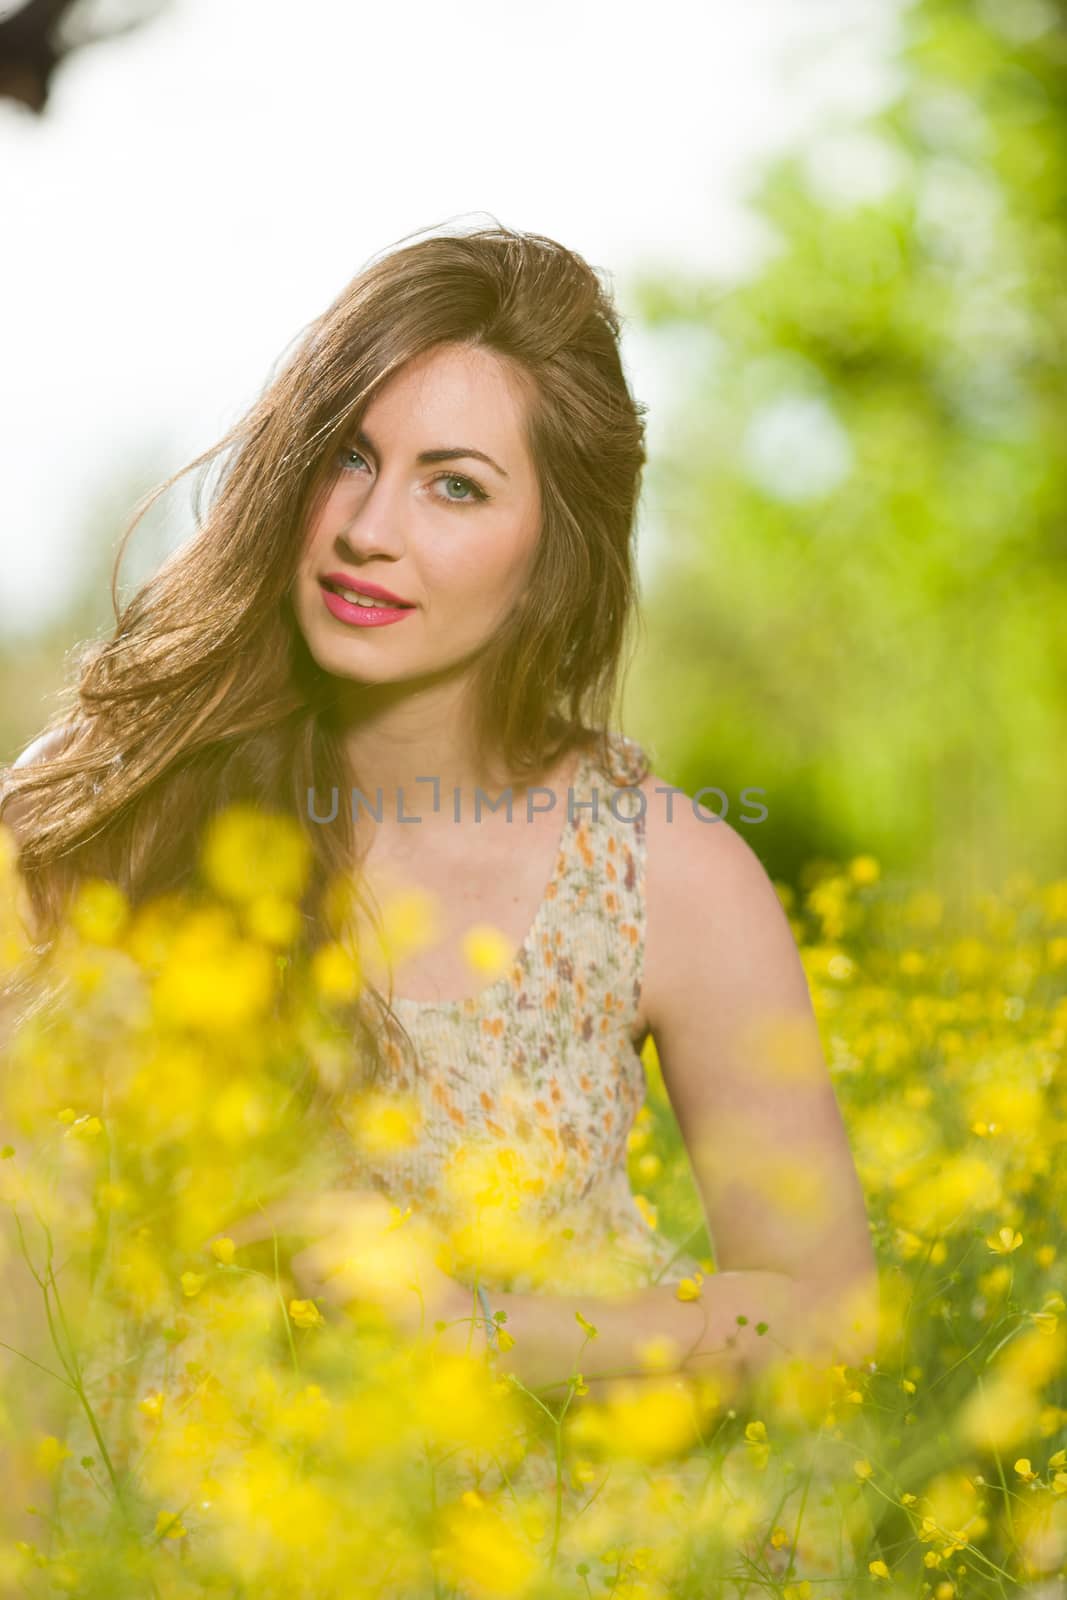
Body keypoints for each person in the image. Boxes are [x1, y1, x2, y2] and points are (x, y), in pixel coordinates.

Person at [0, 222, 878, 1413]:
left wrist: (464, 1329)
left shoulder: (664, 872)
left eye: (454, 485)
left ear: (551, 549)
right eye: (348, 458)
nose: (370, 530)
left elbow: (825, 1319)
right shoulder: (106, 796)